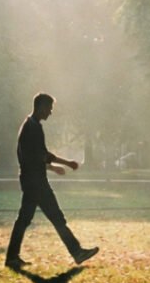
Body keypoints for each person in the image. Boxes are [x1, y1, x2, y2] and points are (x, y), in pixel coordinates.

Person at [5, 92, 99, 269]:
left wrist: (51, 168)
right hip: (36, 182)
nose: (50, 112)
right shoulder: (32, 128)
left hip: (31, 179)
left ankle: (12, 257)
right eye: (49, 108)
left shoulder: (29, 125)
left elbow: (32, 158)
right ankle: (77, 252)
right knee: (56, 217)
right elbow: (43, 155)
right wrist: (68, 163)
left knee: (24, 219)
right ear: (41, 107)